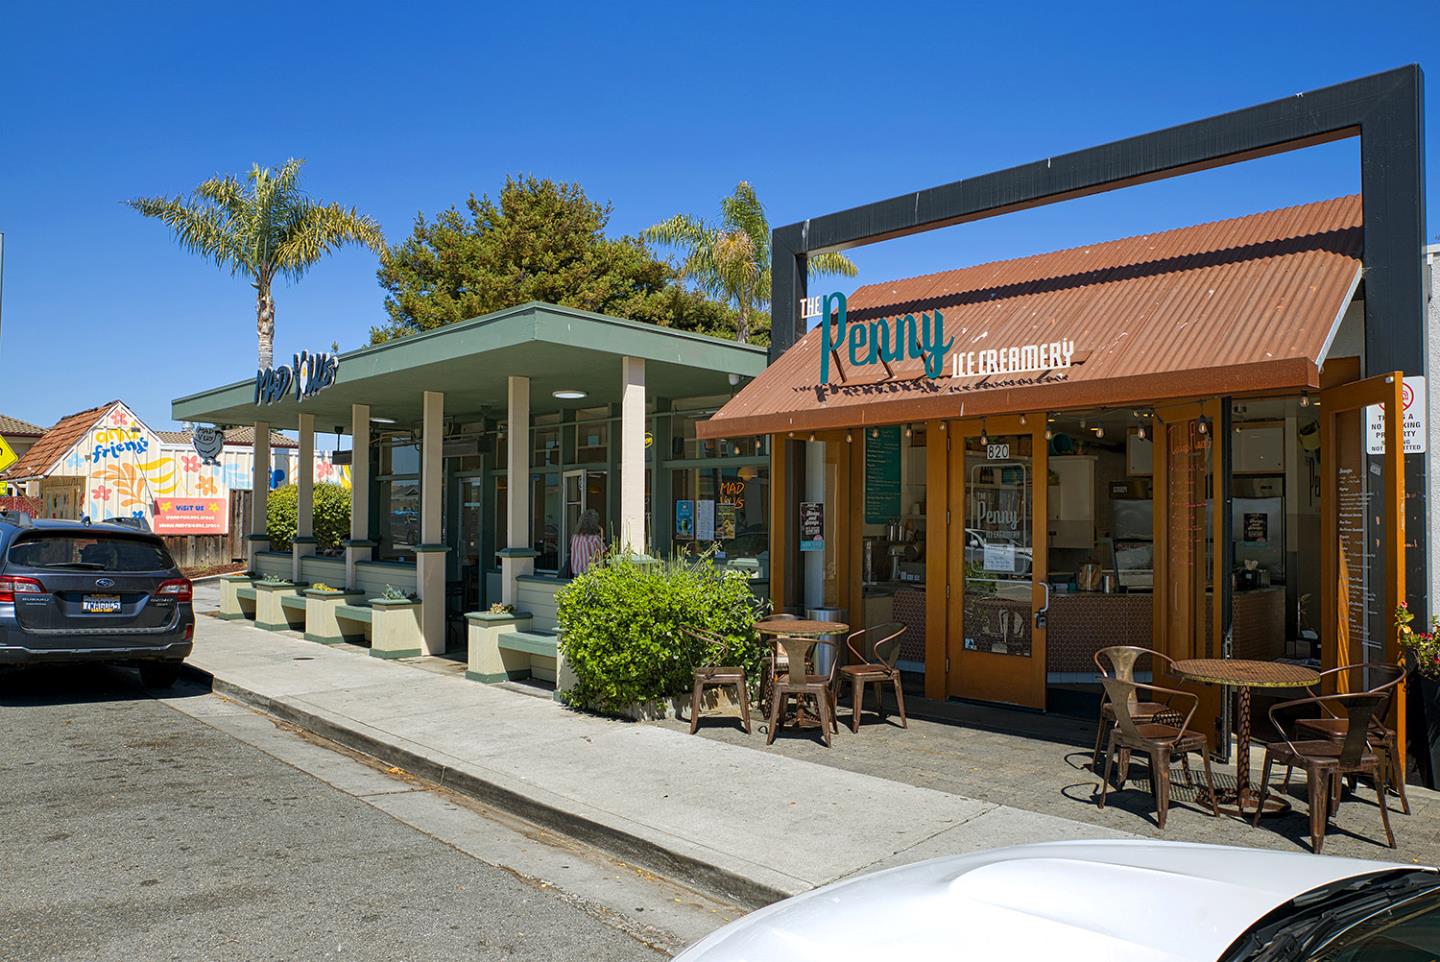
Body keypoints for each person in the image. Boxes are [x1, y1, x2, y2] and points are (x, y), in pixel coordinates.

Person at [569, 509, 604, 576]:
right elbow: (604, 553)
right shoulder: (594, 539)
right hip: (591, 573)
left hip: (576, 572)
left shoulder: (575, 538)